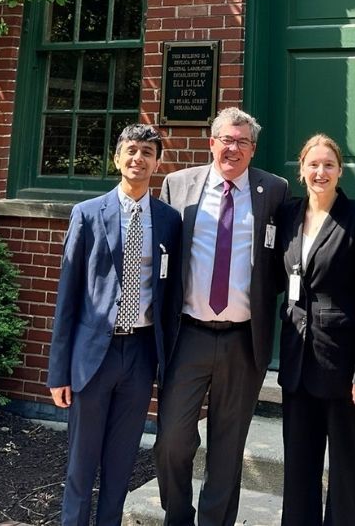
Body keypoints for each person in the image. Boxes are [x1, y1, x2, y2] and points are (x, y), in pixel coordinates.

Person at [155, 106, 289, 526]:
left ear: (253, 149)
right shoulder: (178, 186)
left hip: (243, 339)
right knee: (172, 442)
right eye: (226, 140)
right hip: (188, 335)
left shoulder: (275, 190)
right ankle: (177, 517)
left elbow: (284, 261)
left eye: (242, 142)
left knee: (228, 448)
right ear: (211, 142)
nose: (233, 148)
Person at [46, 123, 182, 526]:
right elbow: (67, 297)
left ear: (157, 163)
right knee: (81, 465)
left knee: (121, 463)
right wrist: (59, 372)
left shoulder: (169, 220)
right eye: (132, 150)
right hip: (93, 358)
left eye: (147, 152)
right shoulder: (87, 215)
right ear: (117, 158)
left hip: (140, 356)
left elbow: (171, 294)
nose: (138, 158)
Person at [277, 134, 355, 526]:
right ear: (301, 169)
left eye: (328, 165)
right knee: (298, 467)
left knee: (346, 468)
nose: (320, 172)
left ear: (340, 171)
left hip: (341, 366)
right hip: (297, 362)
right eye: (313, 164)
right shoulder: (287, 215)